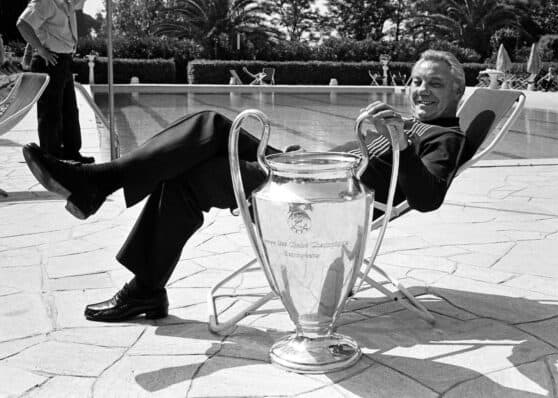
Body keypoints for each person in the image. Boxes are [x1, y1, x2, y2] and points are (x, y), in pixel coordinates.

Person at [22, 50, 466, 322]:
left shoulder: (443, 136)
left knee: (208, 138)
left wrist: (399, 144)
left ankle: (100, 186)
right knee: (199, 149)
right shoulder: (409, 123)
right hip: (305, 175)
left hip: (320, 202)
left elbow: (428, 198)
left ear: (457, 94)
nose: (421, 89)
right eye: (417, 80)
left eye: (435, 84)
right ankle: (142, 284)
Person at [17, 0, 94, 164]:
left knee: (69, 110)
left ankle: (71, 153)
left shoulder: (68, 4)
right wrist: (40, 49)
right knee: (50, 112)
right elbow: (23, 24)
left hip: (64, 61)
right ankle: (51, 158)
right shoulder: (45, 2)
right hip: (49, 60)